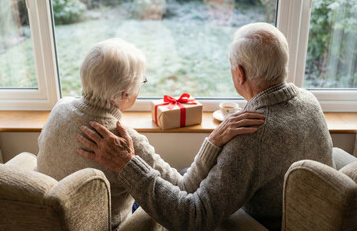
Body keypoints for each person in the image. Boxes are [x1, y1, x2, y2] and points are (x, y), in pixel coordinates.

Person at [77, 23, 334, 231]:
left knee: (145, 206)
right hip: (313, 215)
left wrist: (126, 165)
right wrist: (213, 142)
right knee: (181, 175)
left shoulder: (252, 134)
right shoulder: (310, 101)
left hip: (257, 223)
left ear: (240, 74)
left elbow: (192, 218)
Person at [36, 38, 265, 229]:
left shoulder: (60, 107)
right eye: (141, 82)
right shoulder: (122, 141)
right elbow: (184, 189)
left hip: (49, 219)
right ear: (125, 94)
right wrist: (213, 140)